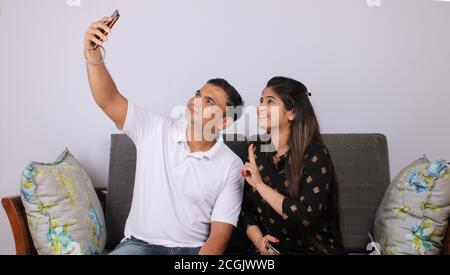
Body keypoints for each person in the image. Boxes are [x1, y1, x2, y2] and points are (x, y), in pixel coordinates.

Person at [84, 15, 245, 255]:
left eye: (208, 101)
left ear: (223, 121)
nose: (196, 101)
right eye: (198, 94)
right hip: (139, 245)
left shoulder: (231, 166)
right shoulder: (154, 128)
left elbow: (218, 238)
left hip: (192, 250)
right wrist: (93, 55)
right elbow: (108, 100)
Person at [240, 77, 343, 255]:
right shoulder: (256, 150)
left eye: (270, 101)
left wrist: (259, 185)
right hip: (272, 249)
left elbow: (305, 216)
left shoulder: (315, 154)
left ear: (292, 112)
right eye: (261, 100)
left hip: (313, 249)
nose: (260, 107)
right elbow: (246, 211)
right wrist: (259, 241)